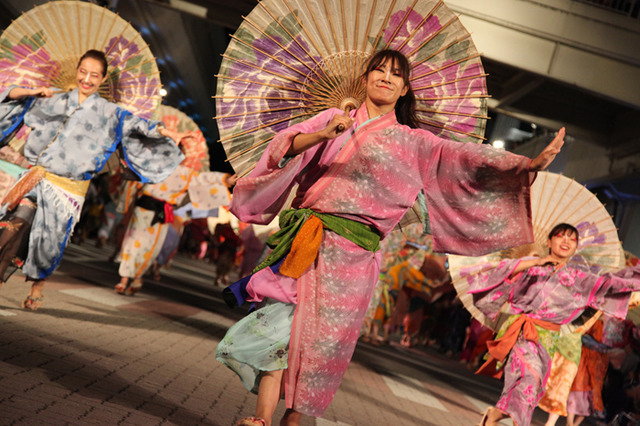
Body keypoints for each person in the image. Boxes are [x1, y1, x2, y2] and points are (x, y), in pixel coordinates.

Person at [216, 49, 565, 426]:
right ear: (364, 78)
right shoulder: (334, 118)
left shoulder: (414, 143)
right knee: (281, 329)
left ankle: (294, 418)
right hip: (307, 242)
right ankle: (262, 419)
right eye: (378, 70)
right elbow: (284, 147)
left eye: (395, 74)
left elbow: (463, 158)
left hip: (354, 259)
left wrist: (526, 165)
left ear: (404, 89)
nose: (385, 77)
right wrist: (322, 134)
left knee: (323, 345)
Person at [0, 49, 185, 310]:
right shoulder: (54, 96)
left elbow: (137, 124)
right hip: (36, 178)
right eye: (83, 72)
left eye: (94, 75)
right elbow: (11, 94)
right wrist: (32, 92)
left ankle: (37, 285)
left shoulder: (109, 112)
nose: (87, 79)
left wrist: (164, 130)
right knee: (16, 222)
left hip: (68, 189)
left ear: (103, 78)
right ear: (76, 71)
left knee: (50, 240)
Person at [469, 223, 640, 426]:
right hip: (524, 337)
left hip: (549, 343)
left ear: (576, 247)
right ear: (549, 241)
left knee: (529, 394)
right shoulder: (531, 265)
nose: (566, 241)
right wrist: (536, 261)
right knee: (528, 384)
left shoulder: (579, 279)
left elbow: (610, 283)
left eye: (572, 239)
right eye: (560, 236)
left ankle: (494, 415)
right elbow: (501, 272)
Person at [115, 162, 235, 295]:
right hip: (142, 209)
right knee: (133, 244)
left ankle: (136, 278)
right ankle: (125, 279)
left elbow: (202, 178)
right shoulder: (149, 163)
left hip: (161, 213)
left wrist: (224, 179)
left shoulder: (181, 171)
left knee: (150, 247)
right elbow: (133, 182)